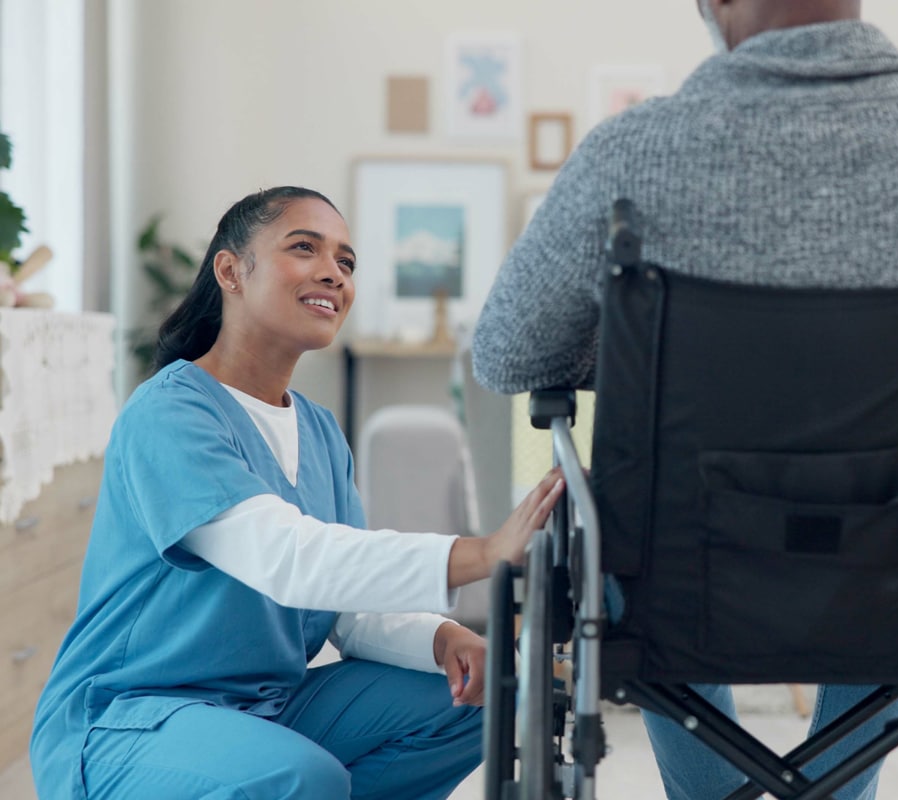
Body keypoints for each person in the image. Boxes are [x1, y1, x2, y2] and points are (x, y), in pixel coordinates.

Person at [471, 1, 898, 798]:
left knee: (623, 541)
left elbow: (509, 355)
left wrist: (638, 359)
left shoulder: (633, 155)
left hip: (684, 573)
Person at [29, 186, 564, 800]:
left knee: (483, 697)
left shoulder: (318, 430)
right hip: (131, 718)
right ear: (230, 270)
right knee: (299, 777)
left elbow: (351, 608)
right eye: (304, 248)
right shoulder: (170, 413)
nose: (332, 273)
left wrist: (445, 638)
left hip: (267, 706)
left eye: (346, 262)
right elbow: (285, 557)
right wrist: (484, 551)